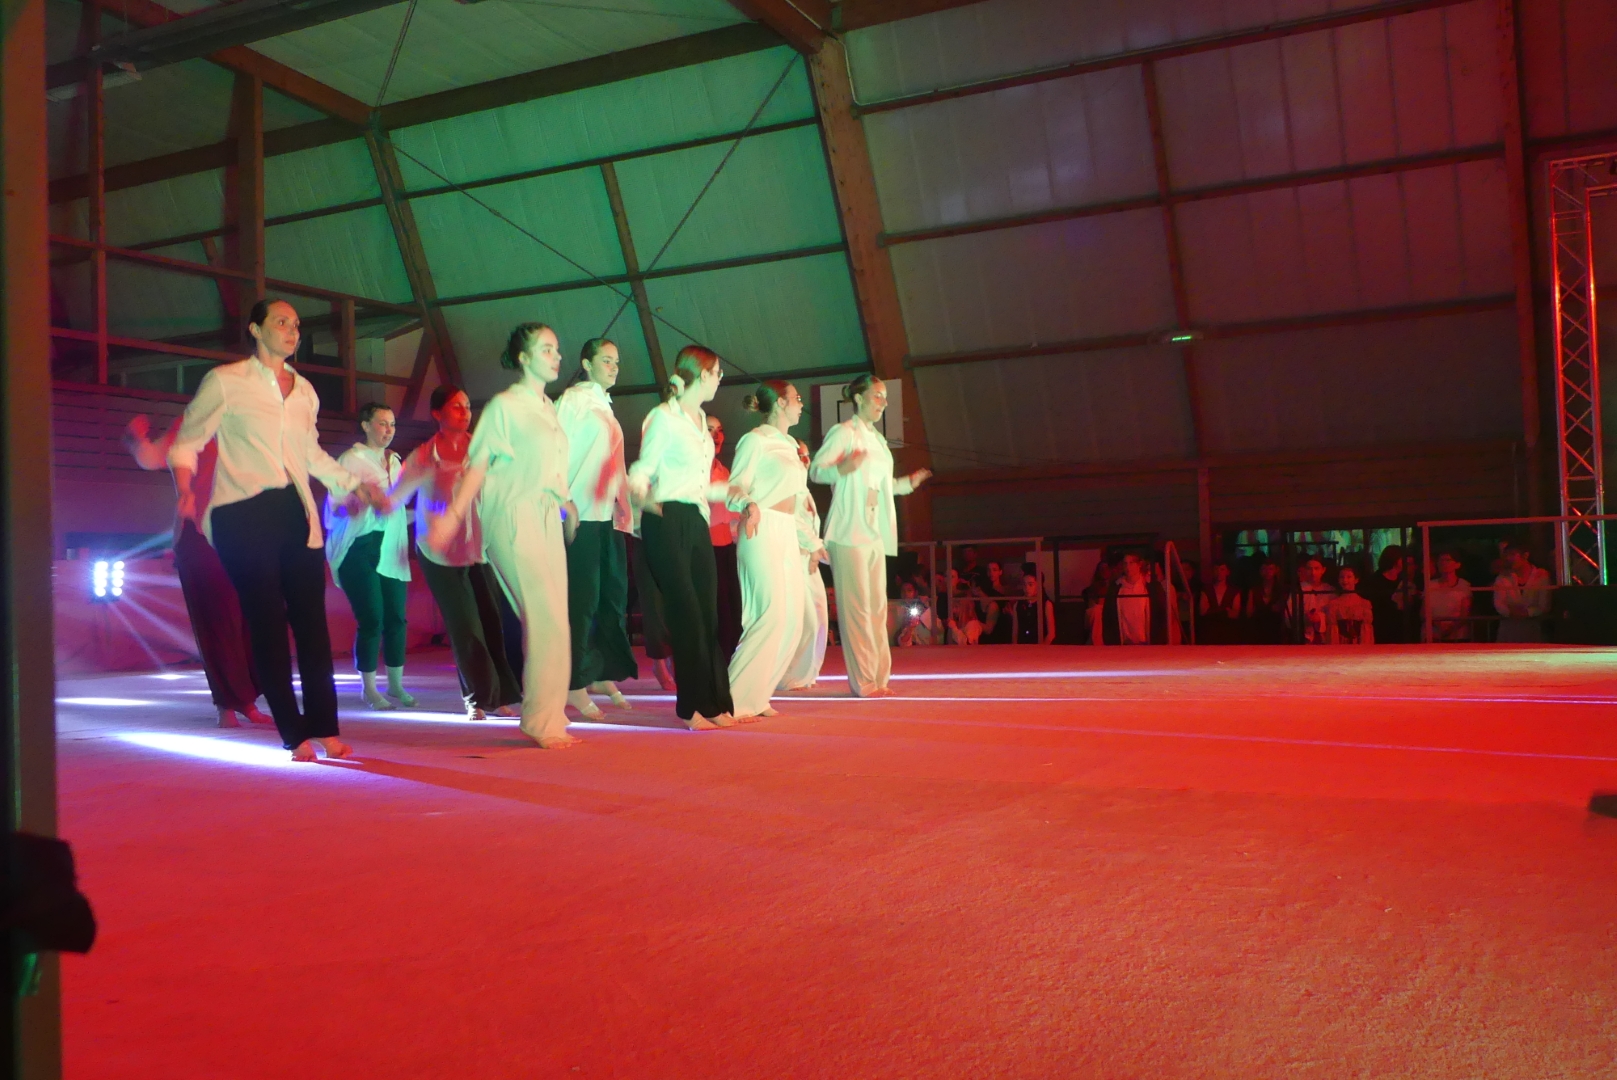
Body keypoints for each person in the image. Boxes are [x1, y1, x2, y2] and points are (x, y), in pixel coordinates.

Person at [168, 298, 388, 761]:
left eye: (296, 325)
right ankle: (293, 733)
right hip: (241, 513)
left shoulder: (305, 391)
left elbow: (310, 454)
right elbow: (187, 442)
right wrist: (185, 489)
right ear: (255, 329)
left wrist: (355, 484)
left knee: (312, 625)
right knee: (267, 623)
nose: (292, 331)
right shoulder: (226, 381)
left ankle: (325, 727)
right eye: (281, 322)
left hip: (295, 511)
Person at [427, 322, 580, 749]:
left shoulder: (548, 408)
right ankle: (540, 720)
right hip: (512, 516)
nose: (556, 356)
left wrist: (567, 502)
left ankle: (548, 715)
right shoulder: (504, 406)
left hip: (545, 514)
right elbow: (477, 466)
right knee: (544, 617)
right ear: (523, 357)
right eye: (546, 349)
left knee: (556, 620)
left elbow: (551, 467)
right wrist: (452, 518)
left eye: (557, 349)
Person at [124, 415, 269, 729]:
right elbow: (152, 457)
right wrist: (137, 440)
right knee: (216, 622)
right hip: (200, 534)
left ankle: (245, 700)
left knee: (248, 621)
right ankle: (227, 705)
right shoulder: (192, 424)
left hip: (243, 537)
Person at [390, 384, 521, 721]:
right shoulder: (424, 456)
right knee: (465, 625)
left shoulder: (483, 450)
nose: (465, 413)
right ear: (437, 413)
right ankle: (477, 698)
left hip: (479, 547)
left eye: (467, 406)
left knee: (491, 620)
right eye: (456, 407)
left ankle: (499, 694)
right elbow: (394, 499)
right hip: (439, 552)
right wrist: (362, 503)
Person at [627, 344, 736, 729]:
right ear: (702, 374)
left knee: (707, 614)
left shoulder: (701, 422)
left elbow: (699, 485)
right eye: (717, 372)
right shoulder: (663, 417)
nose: (720, 379)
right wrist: (642, 494)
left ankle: (714, 701)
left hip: (695, 517)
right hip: (665, 517)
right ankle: (691, 708)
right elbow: (643, 468)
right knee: (686, 613)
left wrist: (731, 492)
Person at [810, 374, 932, 697]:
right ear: (859, 398)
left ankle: (879, 678)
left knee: (877, 608)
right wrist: (842, 468)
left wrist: (907, 483)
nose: (883, 402)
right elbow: (816, 470)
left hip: (875, 530)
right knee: (857, 610)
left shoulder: (878, 440)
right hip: (848, 531)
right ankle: (863, 681)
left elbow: (883, 484)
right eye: (877, 396)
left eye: (885, 397)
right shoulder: (843, 432)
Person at [556, 338, 638, 719]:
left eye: (616, 361)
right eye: (606, 360)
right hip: (581, 513)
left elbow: (613, 462)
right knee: (582, 600)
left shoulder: (605, 404)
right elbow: (555, 452)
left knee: (611, 596)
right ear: (586, 364)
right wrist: (563, 501)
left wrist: (625, 505)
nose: (614, 367)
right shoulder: (574, 400)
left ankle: (601, 672)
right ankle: (573, 682)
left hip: (606, 515)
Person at [724, 381, 809, 720]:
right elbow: (735, 485)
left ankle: (757, 695)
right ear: (779, 404)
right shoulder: (755, 440)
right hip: (760, 527)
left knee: (793, 618)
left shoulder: (790, 445)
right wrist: (748, 504)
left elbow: (798, 500)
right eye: (796, 398)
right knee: (769, 614)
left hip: (786, 530)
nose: (801, 404)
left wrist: (810, 543)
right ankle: (732, 699)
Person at [325, 403, 415, 710]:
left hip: (391, 545)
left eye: (392, 424)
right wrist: (355, 503)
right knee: (372, 617)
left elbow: (398, 505)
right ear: (365, 425)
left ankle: (396, 685)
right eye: (382, 423)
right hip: (359, 545)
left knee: (396, 617)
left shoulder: (396, 461)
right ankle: (369, 689)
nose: (389, 430)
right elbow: (335, 507)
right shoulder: (351, 460)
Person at [782, 439, 830, 690]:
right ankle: (788, 675)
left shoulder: (806, 492)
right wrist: (816, 547)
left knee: (820, 618)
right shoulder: (787, 489)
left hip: (811, 562)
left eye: (807, 455)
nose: (805, 460)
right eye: (799, 455)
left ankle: (809, 672)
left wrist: (821, 551)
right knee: (806, 621)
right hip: (794, 559)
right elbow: (795, 524)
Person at [707, 414, 744, 663]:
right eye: (710, 429)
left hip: (726, 548)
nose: (716, 435)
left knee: (733, 611)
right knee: (716, 611)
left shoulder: (723, 471)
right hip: (706, 548)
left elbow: (732, 515)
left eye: (719, 430)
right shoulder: (693, 469)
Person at [1098, 551, 1170, 645]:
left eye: (1131, 563)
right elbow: (1108, 616)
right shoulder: (1116, 588)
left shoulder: (1151, 587)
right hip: (1123, 644)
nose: (1128, 567)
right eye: (1125, 563)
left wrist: (1160, 640)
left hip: (1147, 643)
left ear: (1139, 564)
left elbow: (1161, 615)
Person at [1494, 543, 1551, 643]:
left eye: (1512, 554)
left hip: (1532, 630)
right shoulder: (1502, 577)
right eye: (1506, 555)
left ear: (1525, 555)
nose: (1508, 558)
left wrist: (1527, 612)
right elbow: (1498, 603)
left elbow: (1544, 604)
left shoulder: (1541, 575)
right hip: (1508, 631)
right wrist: (1510, 612)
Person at [1360, 546, 1411, 644]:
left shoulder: (1403, 580)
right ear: (1395, 559)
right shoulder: (1375, 581)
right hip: (1381, 626)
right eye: (1402, 558)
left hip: (1400, 627)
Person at [1424, 550, 1474, 642]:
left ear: (1457, 565)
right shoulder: (1430, 585)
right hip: (1434, 635)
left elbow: (1465, 613)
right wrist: (1438, 626)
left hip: (1458, 636)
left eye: (1447, 560)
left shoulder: (1464, 585)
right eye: (1441, 560)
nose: (1443, 563)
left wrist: (1450, 630)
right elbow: (1424, 611)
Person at [1287, 556, 1335, 644]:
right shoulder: (1298, 590)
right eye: (1309, 569)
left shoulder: (1330, 590)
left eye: (1316, 568)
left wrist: (1320, 618)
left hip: (1325, 637)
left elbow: (1335, 615)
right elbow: (1289, 615)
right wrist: (1303, 618)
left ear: (1323, 570)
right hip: (1302, 637)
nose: (1313, 572)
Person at [1198, 560, 1243, 645]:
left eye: (1222, 569)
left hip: (1229, 630)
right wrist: (1225, 611)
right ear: (1212, 571)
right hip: (1210, 630)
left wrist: (1212, 611)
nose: (1219, 572)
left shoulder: (1234, 591)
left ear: (1227, 572)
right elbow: (1203, 612)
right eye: (1216, 569)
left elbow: (1235, 614)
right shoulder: (1206, 589)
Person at [1326, 566, 1374, 644]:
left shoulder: (1364, 603)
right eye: (1342, 577)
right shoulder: (1333, 604)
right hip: (1340, 644)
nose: (1345, 580)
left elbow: (1366, 630)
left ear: (1356, 580)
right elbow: (1332, 630)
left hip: (1359, 644)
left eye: (1349, 577)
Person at [1011, 569, 1055, 644]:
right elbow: (1015, 633)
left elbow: (1051, 634)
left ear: (1039, 585)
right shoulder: (1018, 605)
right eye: (1024, 584)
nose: (1027, 588)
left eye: (1030, 584)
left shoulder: (1046, 604)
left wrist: (1040, 649)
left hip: (1041, 647)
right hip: (1022, 647)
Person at [1248, 558, 1286, 644]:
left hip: (1276, 630)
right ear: (1260, 571)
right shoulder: (1254, 590)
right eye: (1264, 569)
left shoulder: (1281, 589)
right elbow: (1249, 613)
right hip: (1258, 629)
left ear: (1276, 570)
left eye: (1270, 569)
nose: (1267, 572)